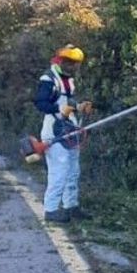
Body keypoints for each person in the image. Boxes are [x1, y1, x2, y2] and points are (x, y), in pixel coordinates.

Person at [33, 44, 93, 223]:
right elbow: (40, 103)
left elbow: (69, 102)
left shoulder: (69, 80)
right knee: (59, 171)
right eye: (71, 63)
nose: (74, 67)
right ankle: (51, 210)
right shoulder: (48, 79)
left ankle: (71, 206)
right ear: (61, 61)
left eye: (76, 64)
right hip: (54, 130)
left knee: (73, 170)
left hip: (71, 129)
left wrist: (80, 106)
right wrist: (59, 109)